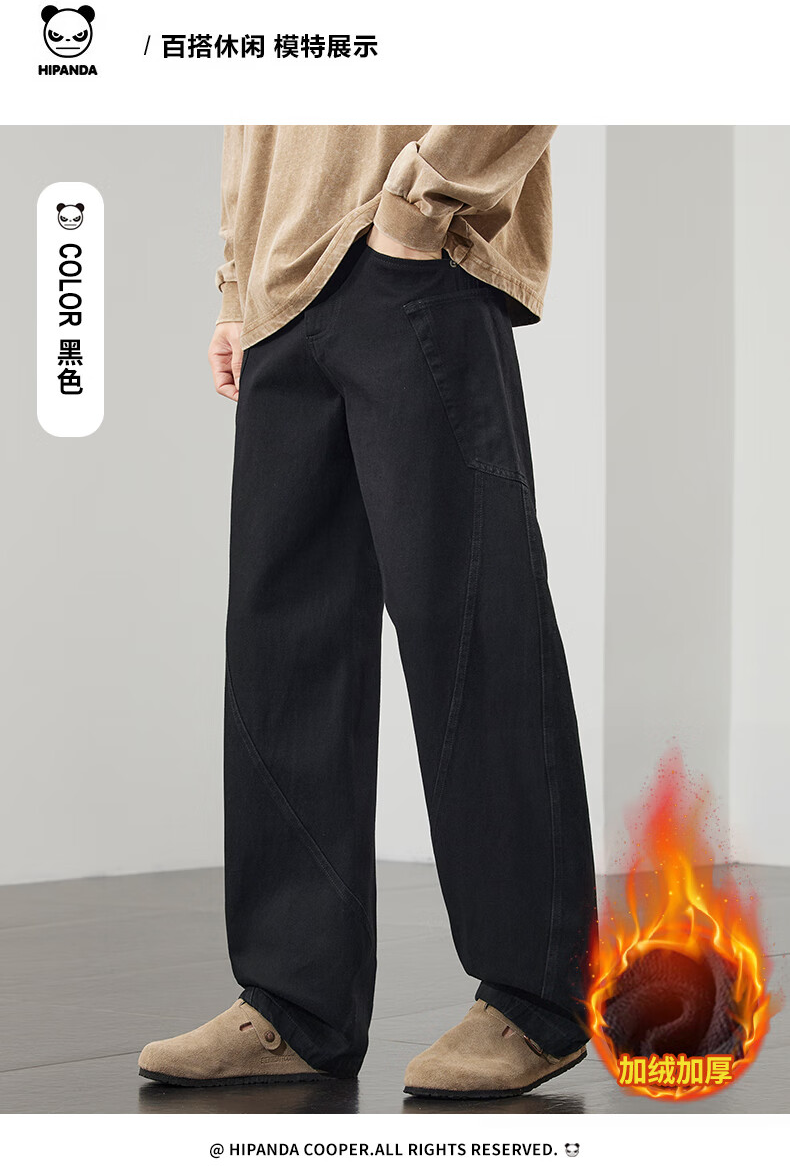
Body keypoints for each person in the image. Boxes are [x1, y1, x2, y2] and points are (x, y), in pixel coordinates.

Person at [138, 126, 598, 1099]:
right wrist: (237, 286)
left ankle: (535, 998)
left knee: (468, 623)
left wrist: (424, 202)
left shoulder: (415, 226)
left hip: (411, 258)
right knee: (283, 647)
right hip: (281, 287)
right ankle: (294, 1003)